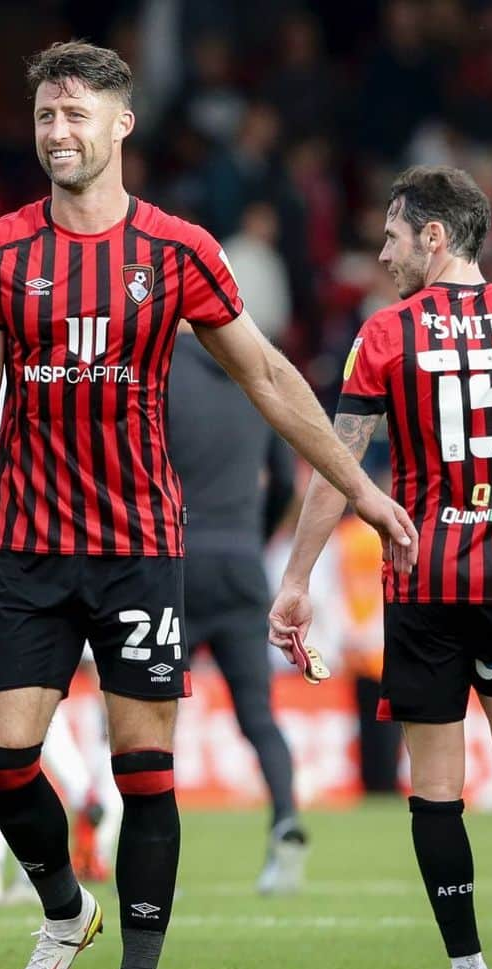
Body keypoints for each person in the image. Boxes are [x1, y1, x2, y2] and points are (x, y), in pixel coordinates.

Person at [0, 42, 416, 969]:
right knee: (4, 760)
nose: (59, 132)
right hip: (27, 543)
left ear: (120, 126)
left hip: (143, 545)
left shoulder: (179, 250)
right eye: (46, 116)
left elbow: (270, 379)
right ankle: (65, 912)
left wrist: (359, 485)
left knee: (144, 769)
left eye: (77, 116)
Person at [269, 165, 492, 969]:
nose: (381, 254)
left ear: (435, 236)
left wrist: (298, 577)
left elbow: (337, 468)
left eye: (392, 235)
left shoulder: (384, 335)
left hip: (423, 582)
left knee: (436, 789)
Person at [0, 331, 121, 903]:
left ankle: (84, 793)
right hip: (42, 532)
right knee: (28, 701)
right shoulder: (43, 344)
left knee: (0, 706)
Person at [166, 321, 309, 893]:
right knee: (259, 715)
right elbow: (285, 480)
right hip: (242, 562)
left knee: (150, 715)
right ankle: (286, 820)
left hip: (173, 561)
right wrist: (256, 534)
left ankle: (135, 841)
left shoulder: (159, 367)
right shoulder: (255, 368)